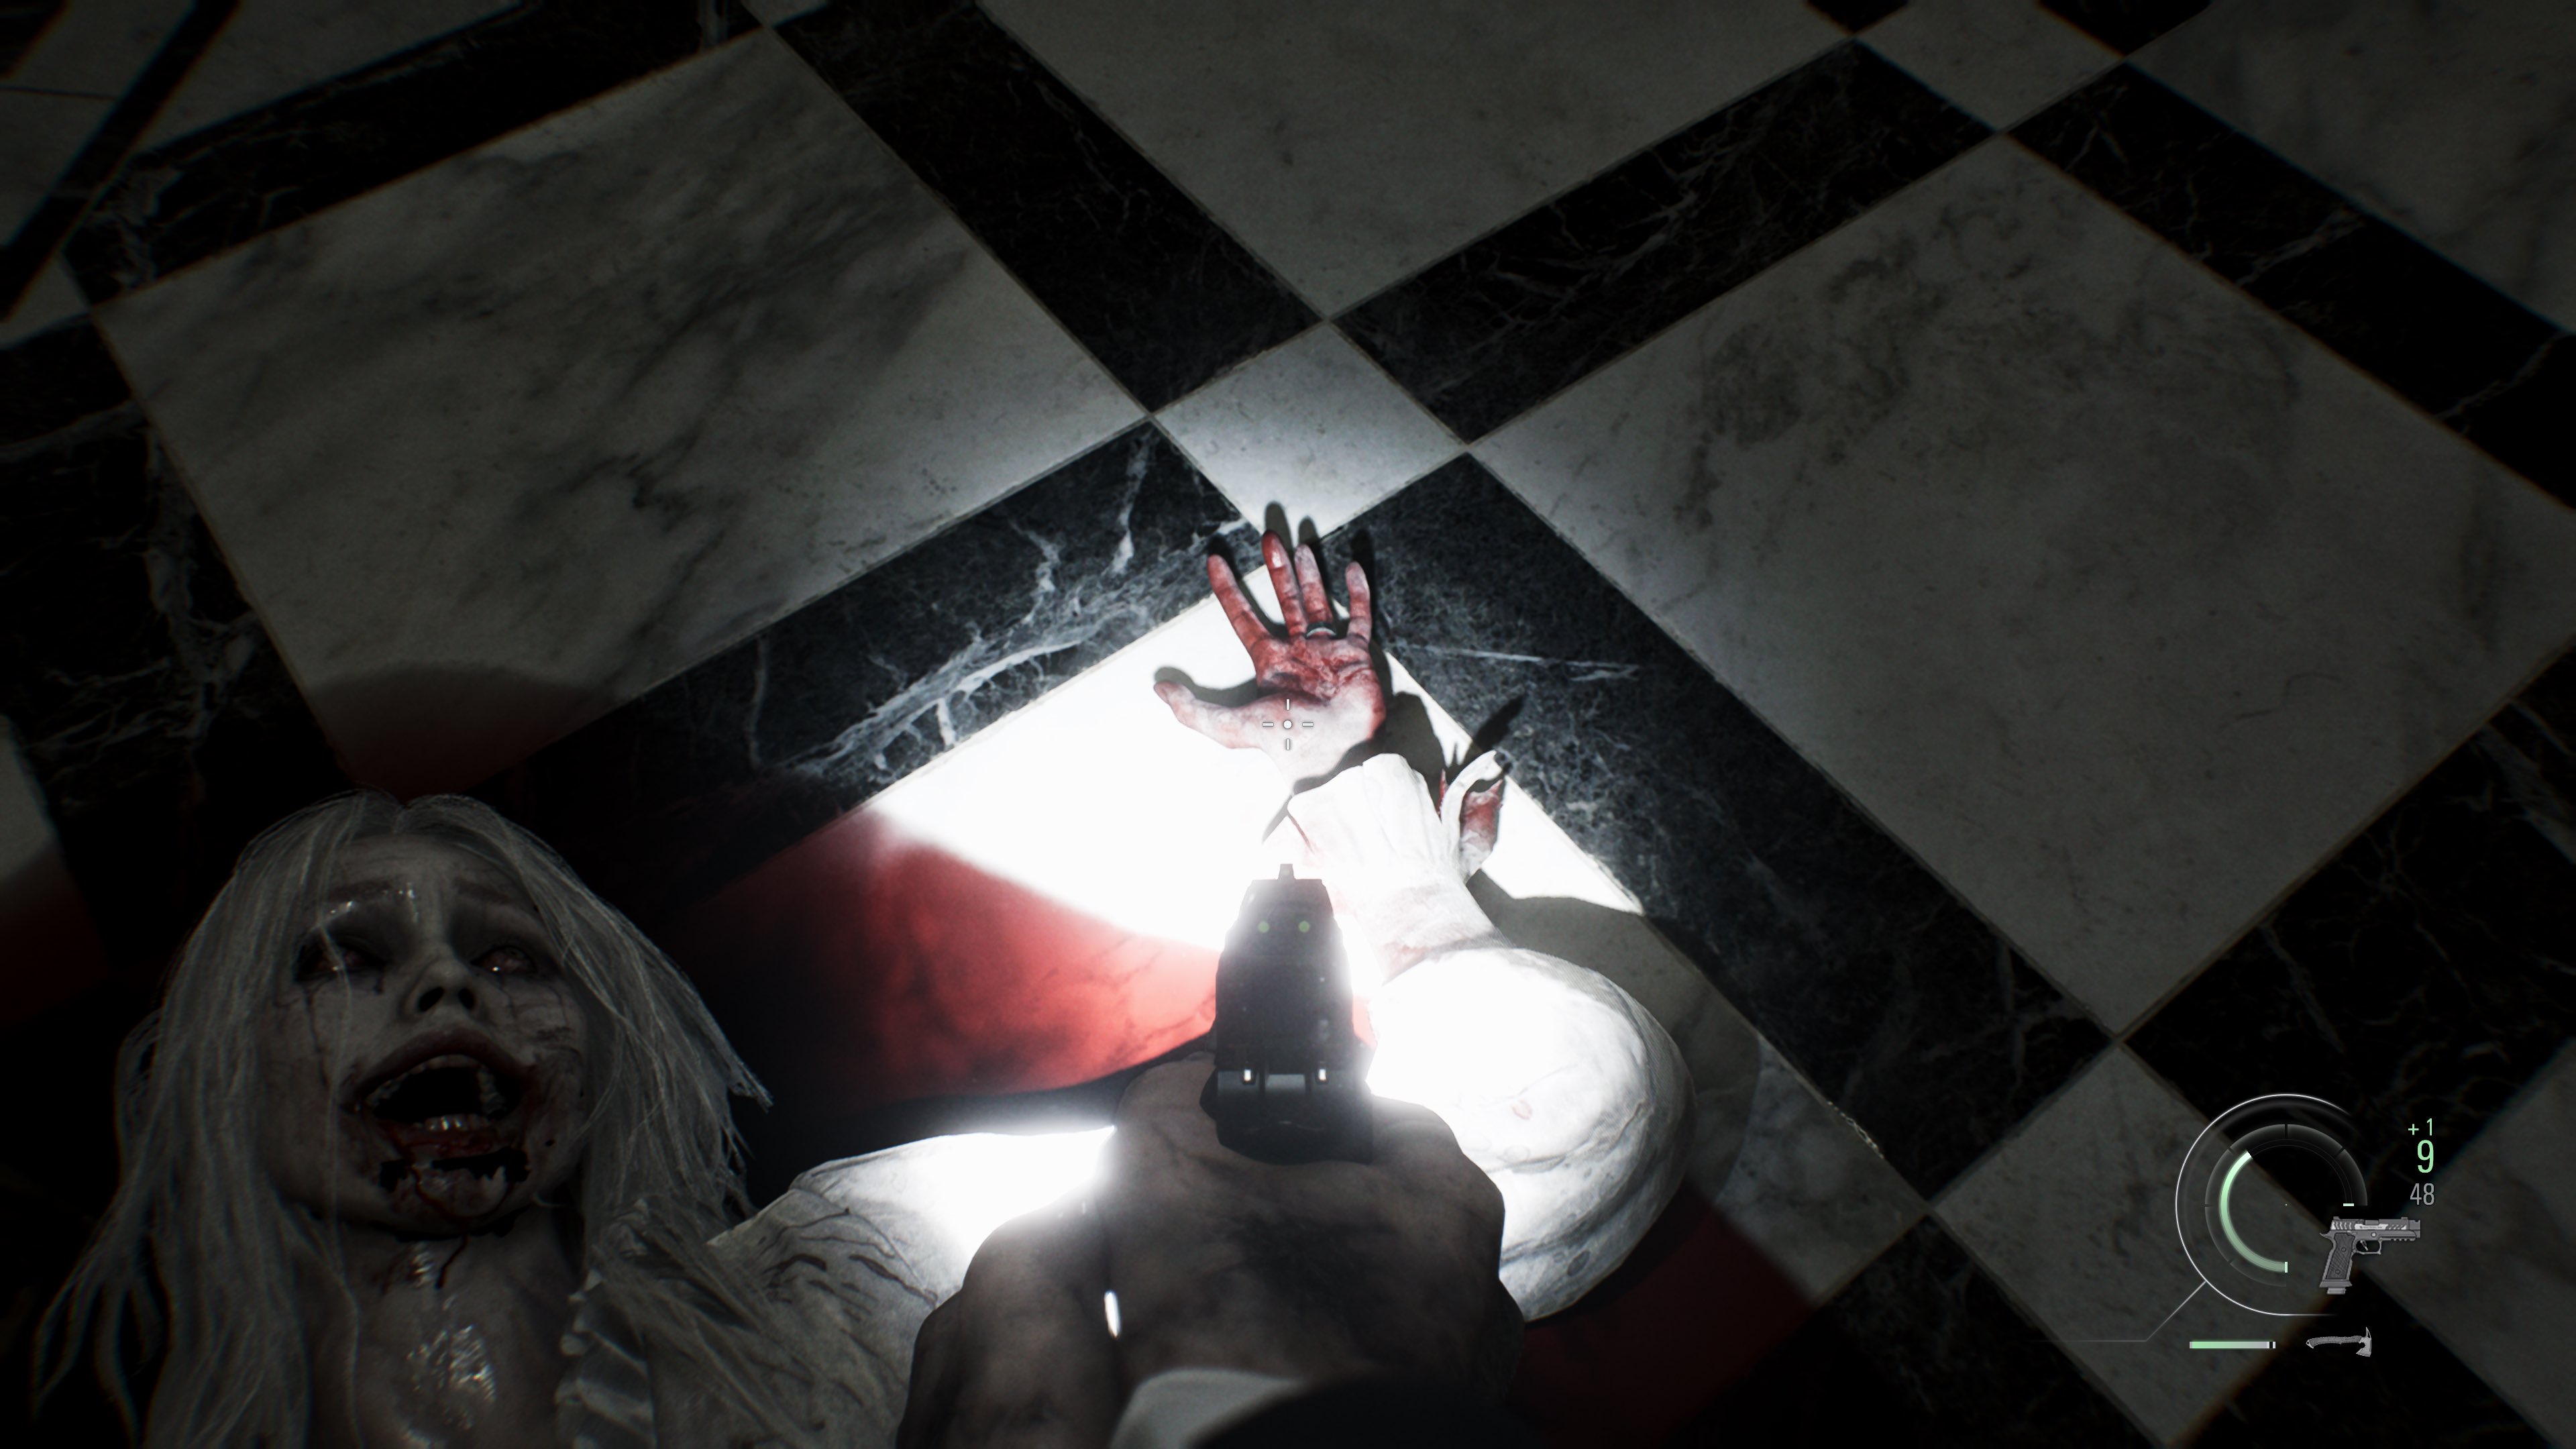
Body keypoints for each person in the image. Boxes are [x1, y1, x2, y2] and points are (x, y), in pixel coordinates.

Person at [38, 534, 1688, 1446]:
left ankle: (1371, 831)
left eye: (509, 954)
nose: (443, 996)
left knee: (1570, 1091)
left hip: (880, 1301)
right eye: (343, 958)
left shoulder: (878, 1263)